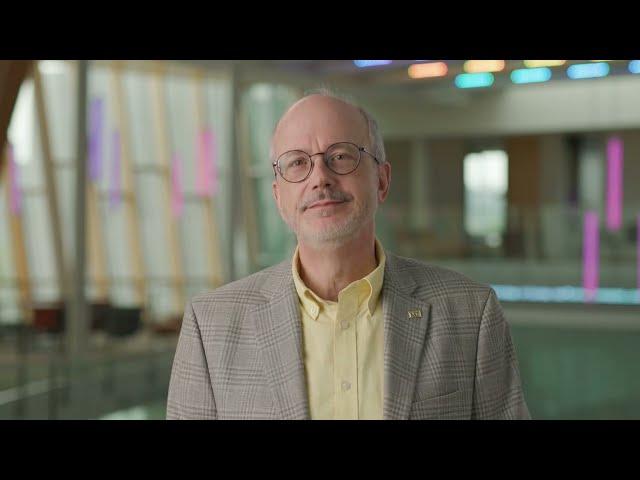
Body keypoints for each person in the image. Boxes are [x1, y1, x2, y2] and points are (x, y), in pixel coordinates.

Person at [167, 89, 530, 420]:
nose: (320, 177)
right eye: (297, 163)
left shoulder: (470, 313)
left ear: (382, 181)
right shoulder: (211, 327)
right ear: (278, 198)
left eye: (340, 156)